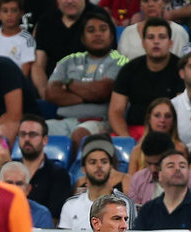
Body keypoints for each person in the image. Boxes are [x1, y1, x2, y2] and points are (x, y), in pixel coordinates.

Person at [45, 11, 128, 157]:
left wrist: (68, 85)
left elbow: (102, 91)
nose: (97, 34)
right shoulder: (68, 60)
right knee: (33, 131)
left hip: (99, 122)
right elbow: (51, 93)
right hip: (64, 121)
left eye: (103, 29)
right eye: (91, 30)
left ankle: (77, 170)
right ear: (83, 38)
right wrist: (89, 95)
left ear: (111, 35)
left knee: (80, 134)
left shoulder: (120, 61)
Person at [109, 17, 184, 140]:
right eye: (151, 37)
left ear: (170, 43)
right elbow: (115, 110)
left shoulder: (181, 70)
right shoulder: (129, 69)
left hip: (169, 133)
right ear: (143, 43)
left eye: (162, 37)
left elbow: (183, 112)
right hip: (134, 132)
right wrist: (127, 139)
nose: (156, 42)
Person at [31, 0, 107, 99]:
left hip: (88, 94)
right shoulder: (46, 20)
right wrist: (45, 93)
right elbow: (38, 65)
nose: (69, 1)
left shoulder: (99, 17)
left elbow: (105, 64)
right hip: (53, 92)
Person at [59, 134, 136, 230]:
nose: (99, 166)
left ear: (111, 166)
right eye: (93, 162)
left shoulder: (125, 204)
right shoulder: (70, 205)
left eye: (104, 162)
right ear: (83, 169)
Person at [136, 150, 191, 230]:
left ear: (189, 173)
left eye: (182, 166)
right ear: (160, 175)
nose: (177, 169)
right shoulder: (147, 210)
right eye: (171, 166)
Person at [15, 114, 72, 225]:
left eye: (32, 134)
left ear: (44, 140)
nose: (27, 139)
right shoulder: (7, 171)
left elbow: (55, 217)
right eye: (22, 134)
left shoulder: (59, 175)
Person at [127, 98, 187, 175]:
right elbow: (131, 180)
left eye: (167, 116)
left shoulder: (180, 149)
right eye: (157, 115)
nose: (162, 120)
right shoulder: (137, 151)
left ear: (173, 121)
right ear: (149, 119)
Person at [117, 0, 189, 60]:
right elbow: (120, 63)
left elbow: (183, 64)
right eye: (145, 1)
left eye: (155, 0)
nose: (150, 4)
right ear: (140, 5)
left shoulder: (179, 32)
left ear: (164, 3)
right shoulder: (128, 32)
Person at [0, 0, 36, 76]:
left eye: (14, 10)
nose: (9, 14)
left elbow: (24, 73)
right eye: (5, 11)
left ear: (21, 13)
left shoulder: (27, 39)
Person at [0, 160, 53, 228]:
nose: (14, 188)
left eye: (19, 184)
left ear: (28, 189)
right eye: (9, 183)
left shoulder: (41, 214)